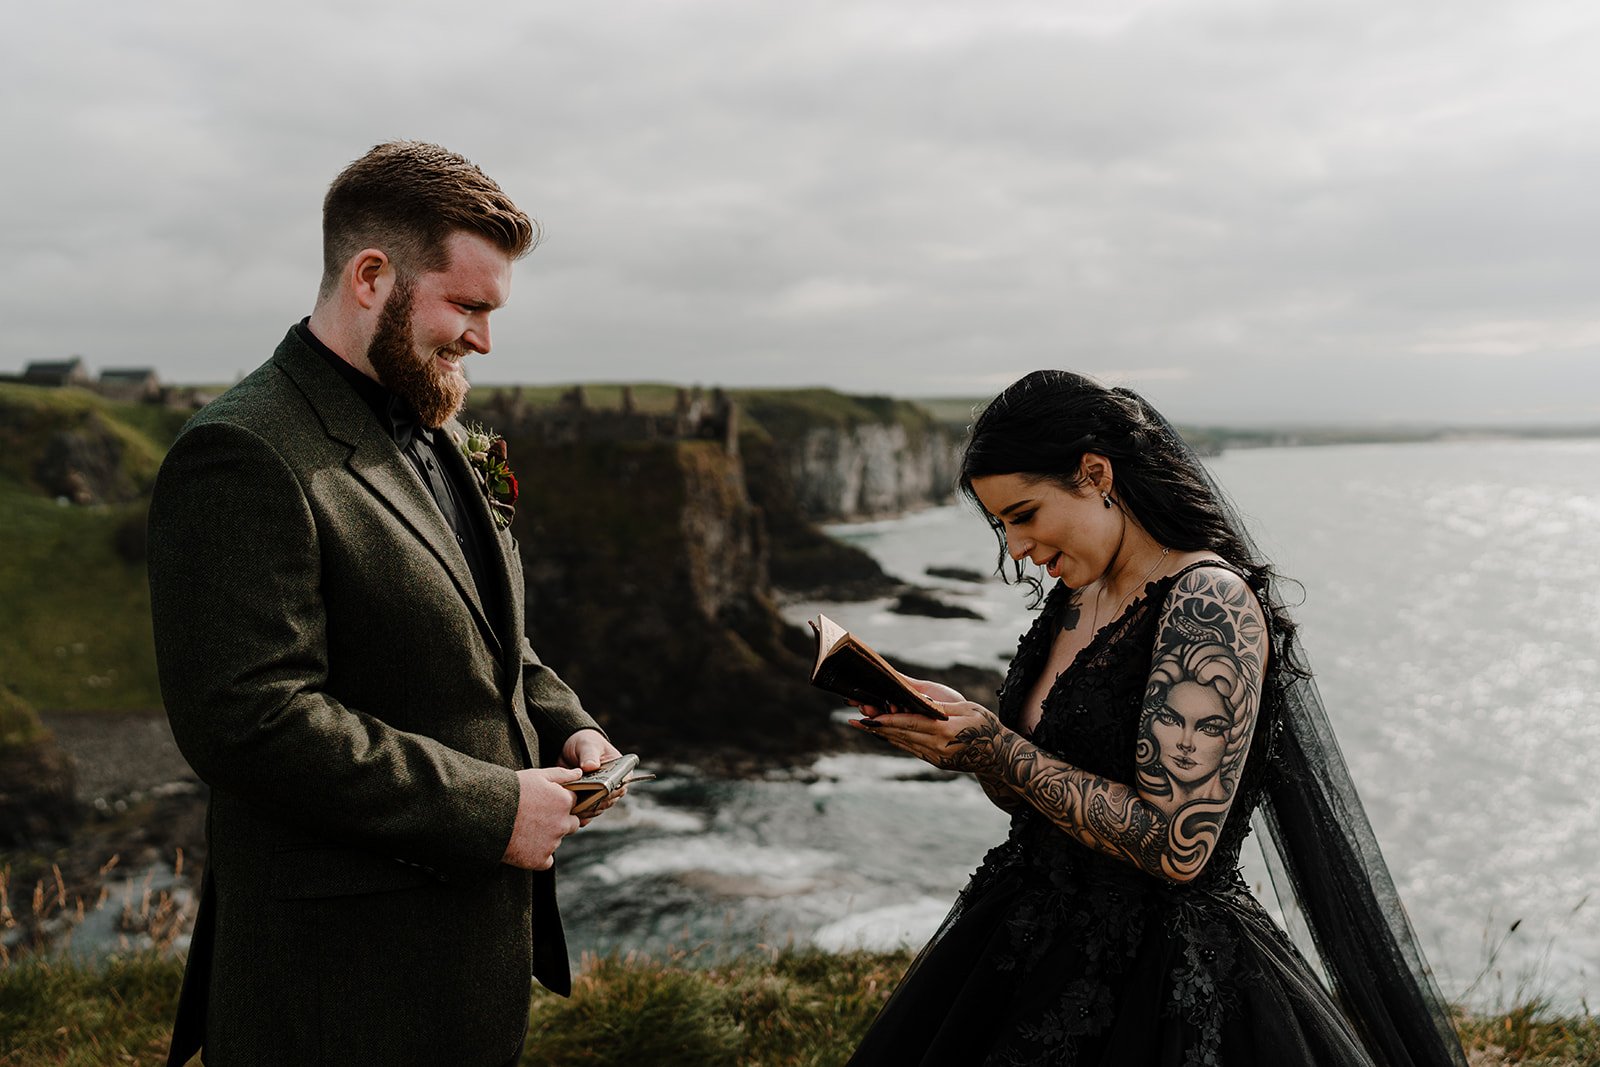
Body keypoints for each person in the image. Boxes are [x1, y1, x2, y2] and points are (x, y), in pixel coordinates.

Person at [148, 141, 623, 1066]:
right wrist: (496, 808)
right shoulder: (240, 453)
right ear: (372, 275)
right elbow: (249, 718)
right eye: (469, 306)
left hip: (463, 962)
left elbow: (487, 631)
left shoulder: (429, 418)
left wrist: (565, 721)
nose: (483, 339)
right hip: (340, 985)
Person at [847, 370, 1468, 1066]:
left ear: (1094, 473)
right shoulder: (1074, 598)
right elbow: (1036, 797)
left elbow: (1179, 846)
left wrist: (999, 750)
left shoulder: (1208, 603)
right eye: (1001, 525)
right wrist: (965, 744)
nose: (1016, 548)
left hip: (1162, 979)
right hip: (1019, 940)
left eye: (1024, 514)